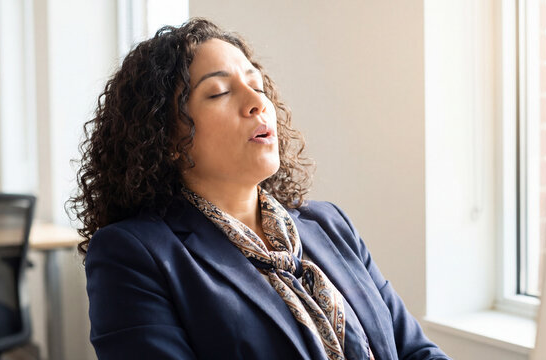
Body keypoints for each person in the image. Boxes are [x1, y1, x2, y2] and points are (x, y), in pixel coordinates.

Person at [68, 18, 451, 360]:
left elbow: (416, 351)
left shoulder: (331, 225)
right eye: (219, 92)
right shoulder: (133, 254)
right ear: (165, 137)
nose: (257, 103)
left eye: (257, 84)